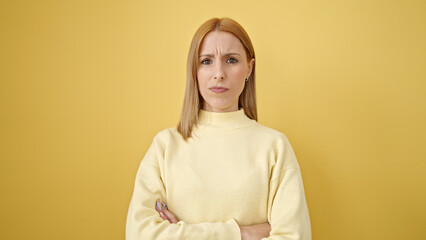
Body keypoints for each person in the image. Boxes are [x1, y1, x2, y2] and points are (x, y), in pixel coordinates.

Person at [126, 17, 312, 240]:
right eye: (206, 61)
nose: (218, 73)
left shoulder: (275, 146)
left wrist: (181, 233)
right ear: (194, 69)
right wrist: (242, 233)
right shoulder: (165, 146)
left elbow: (294, 236)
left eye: (231, 60)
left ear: (249, 68)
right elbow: (140, 235)